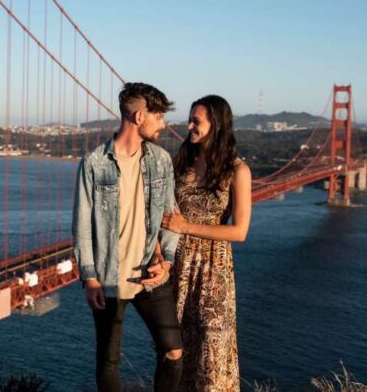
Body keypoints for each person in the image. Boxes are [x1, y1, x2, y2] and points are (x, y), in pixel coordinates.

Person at [72, 82, 184, 392]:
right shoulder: (94, 163)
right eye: (159, 116)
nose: (163, 124)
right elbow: (82, 225)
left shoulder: (160, 160)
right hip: (109, 278)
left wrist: (168, 262)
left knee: (173, 351)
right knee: (108, 361)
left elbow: (170, 216)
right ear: (138, 116)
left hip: (150, 272)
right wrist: (90, 278)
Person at [160, 95, 252, 391]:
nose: (189, 126)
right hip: (177, 269)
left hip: (214, 272)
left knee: (211, 353)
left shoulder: (238, 171)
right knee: (176, 355)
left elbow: (239, 232)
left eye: (196, 121)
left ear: (217, 124)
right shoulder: (181, 163)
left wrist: (185, 226)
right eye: (190, 119)